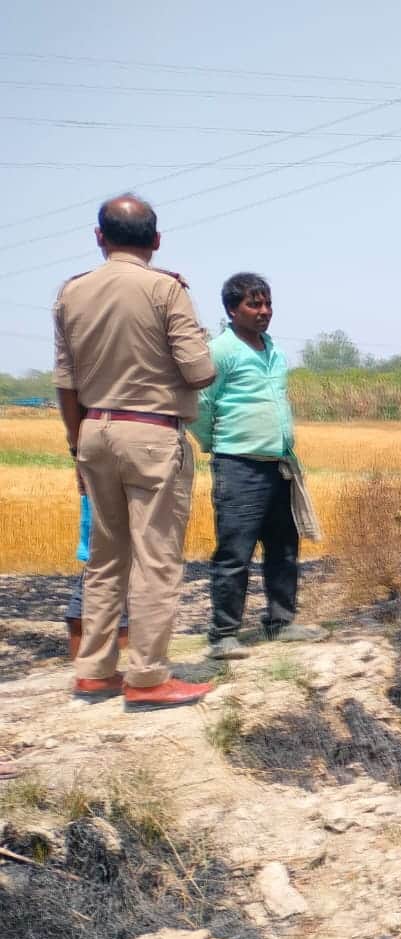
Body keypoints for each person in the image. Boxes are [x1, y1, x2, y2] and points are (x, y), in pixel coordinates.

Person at [54, 194, 216, 709]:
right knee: (156, 558)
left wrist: (76, 443)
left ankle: (95, 672)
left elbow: (65, 381)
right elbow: (200, 371)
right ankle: (147, 678)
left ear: (100, 237)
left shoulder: (71, 293)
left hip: (92, 432)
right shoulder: (166, 289)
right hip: (149, 433)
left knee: (105, 558)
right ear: (157, 240)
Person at [191, 273, 324, 659]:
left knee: (283, 547)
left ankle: (281, 622)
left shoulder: (274, 351)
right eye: (254, 304)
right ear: (232, 310)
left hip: (278, 464)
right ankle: (223, 635)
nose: (264, 311)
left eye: (267, 303)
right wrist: (215, 444)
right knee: (235, 551)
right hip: (238, 467)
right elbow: (200, 405)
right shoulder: (221, 351)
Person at [66, 493, 129, 660]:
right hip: (94, 552)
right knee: (76, 619)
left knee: (121, 623)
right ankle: (82, 676)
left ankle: (124, 675)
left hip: (120, 553)